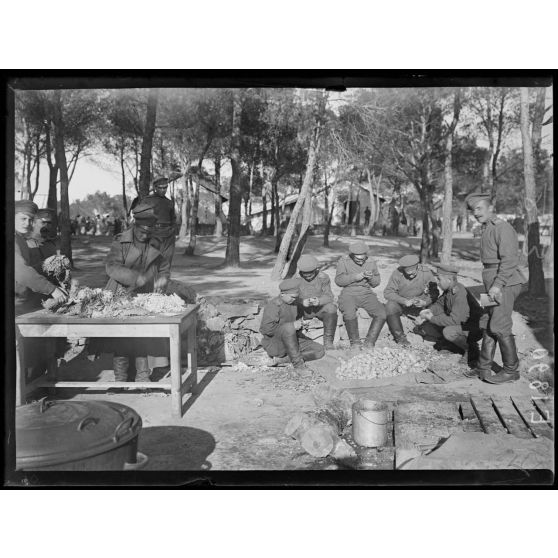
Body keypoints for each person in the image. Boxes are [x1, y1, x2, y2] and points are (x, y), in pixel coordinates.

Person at [101, 202, 171, 383]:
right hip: (120, 293)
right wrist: (134, 277)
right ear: (135, 224)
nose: (145, 235)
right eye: (142, 231)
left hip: (146, 296)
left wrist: (163, 279)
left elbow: (163, 267)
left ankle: (142, 377)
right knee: (121, 338)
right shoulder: (120, 241)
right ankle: (121, 379)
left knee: (143, 336)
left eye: (149, 232)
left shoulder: (156, 242)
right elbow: (111, 266)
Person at [463, 193, 526, 383]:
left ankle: (511, 370)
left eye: (479, 208)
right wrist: (492, 285)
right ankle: (483, 368)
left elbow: (509, 260)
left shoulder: (503, 228)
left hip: (503, 283)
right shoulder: (487, 228)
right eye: (473, 210)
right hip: (490, 281)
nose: (476, 213)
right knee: (487, 321)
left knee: (499, 325)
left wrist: (497, 286)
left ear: (491, 208)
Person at [415, 263, 481, 365]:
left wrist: (431, 318)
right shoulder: (449, 290)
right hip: (463, 324)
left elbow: (455, 320)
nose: (437, 282)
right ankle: (454, 346)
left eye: (439, 279)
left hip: (475, 327)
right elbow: (439, 304)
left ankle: (472, 351)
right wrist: (429, 311)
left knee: (448, 331)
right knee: (437, 320)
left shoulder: (460, 293)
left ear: (449, 280)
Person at [259, 278, 325, 377]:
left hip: (292, 339)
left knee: (319, 351)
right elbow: (266, 330)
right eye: (292, 297)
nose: (294, 299)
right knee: (289, 328)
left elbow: (299, 317)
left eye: (296, 297)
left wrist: (302, 322)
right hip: (275, 343)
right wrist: (292, 325)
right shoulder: (273, 306)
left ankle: (282, 360)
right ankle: (298, 366)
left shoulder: (293, 302)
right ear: (282, 294)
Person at [15, 200, 67, 315]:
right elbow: (22, 272)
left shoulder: (21, 239)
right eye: (23, 219)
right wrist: (52, 289)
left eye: (30, 219)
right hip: (19, 300)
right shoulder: (16, 240)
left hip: (33, 298)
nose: (27, 223)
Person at [335, 241, 386, 351]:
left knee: (382, 313)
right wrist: (355, 277)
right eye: (357, 259)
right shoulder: (344, 261)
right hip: (349, 291)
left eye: (363, 259)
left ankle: (369, 342)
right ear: (352, 255)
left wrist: (371, 277)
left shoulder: (371, 262)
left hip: (366, 292)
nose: (361, 262)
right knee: (349, 313)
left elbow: (376, 283)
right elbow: (338, 281)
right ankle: (355, 343)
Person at [383, 254, 438, 346]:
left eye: (414, 272)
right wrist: (404, 301)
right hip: (404, 304)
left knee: (437, 306)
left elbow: (434, 293)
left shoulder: (426, 272)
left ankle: (432, 333)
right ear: (403, 269)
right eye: (408, 272)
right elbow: (388, 293)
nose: (411, 275)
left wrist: (425, 302)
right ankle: (400, 338)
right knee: (390, 306)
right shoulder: (397, 273)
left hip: (421, 304)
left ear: (417, 266)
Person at [296, 254, 338, 350]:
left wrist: (319, 301)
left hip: (318, 308)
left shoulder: (323, 277)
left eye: (310, 273)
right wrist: (301, 301)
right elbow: (290, 298)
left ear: (316, 269)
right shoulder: (296, 279)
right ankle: (297, 341)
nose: (308, 276)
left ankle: (328, 342)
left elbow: (329, 296)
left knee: (331, 308)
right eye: (305, 274)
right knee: (289, 309)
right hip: (302, 310)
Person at [139, 177, 177, 266]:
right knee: (151, 262)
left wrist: (172, 230)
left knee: (166, 262)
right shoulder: (147, 200)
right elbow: (141, 218)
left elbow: (173, 219)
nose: (163, 190)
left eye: (165, 188)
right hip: (153, 234)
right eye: (160, 188)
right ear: (155, 188)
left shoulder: (169, 202)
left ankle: (164, 279)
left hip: (168, 235)